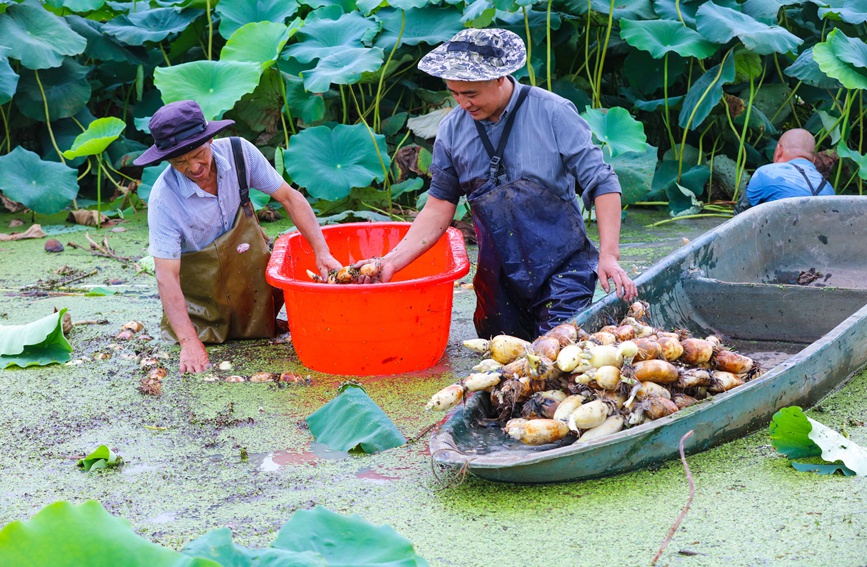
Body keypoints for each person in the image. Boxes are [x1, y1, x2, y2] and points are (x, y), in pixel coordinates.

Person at [356, 28, 637, 341]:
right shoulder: (452, 129)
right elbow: (438, 208)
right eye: (455, 93)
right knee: (503, 366)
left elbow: (602, 182)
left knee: (555, 353)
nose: (463, 103)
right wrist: (390, 262)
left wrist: (608, 255)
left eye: (471, 94)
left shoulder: (553, 112)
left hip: (563, 269)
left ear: (500, 77)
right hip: (498, 276)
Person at [134, 100, 341, 373]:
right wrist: (188, 342)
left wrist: (322, 251)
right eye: (180, 162)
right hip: (201, 308)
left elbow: (290, 199)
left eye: (198, 154)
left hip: (253, 295)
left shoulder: (240, 154)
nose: (194, 167)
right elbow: (166, 276)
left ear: (210, 140)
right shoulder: (163, 199)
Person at [736, 128, 834, 213]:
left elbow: (741, 215)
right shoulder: (829, 189)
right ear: (813, 160)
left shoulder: (764, 173)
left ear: (779, 151)